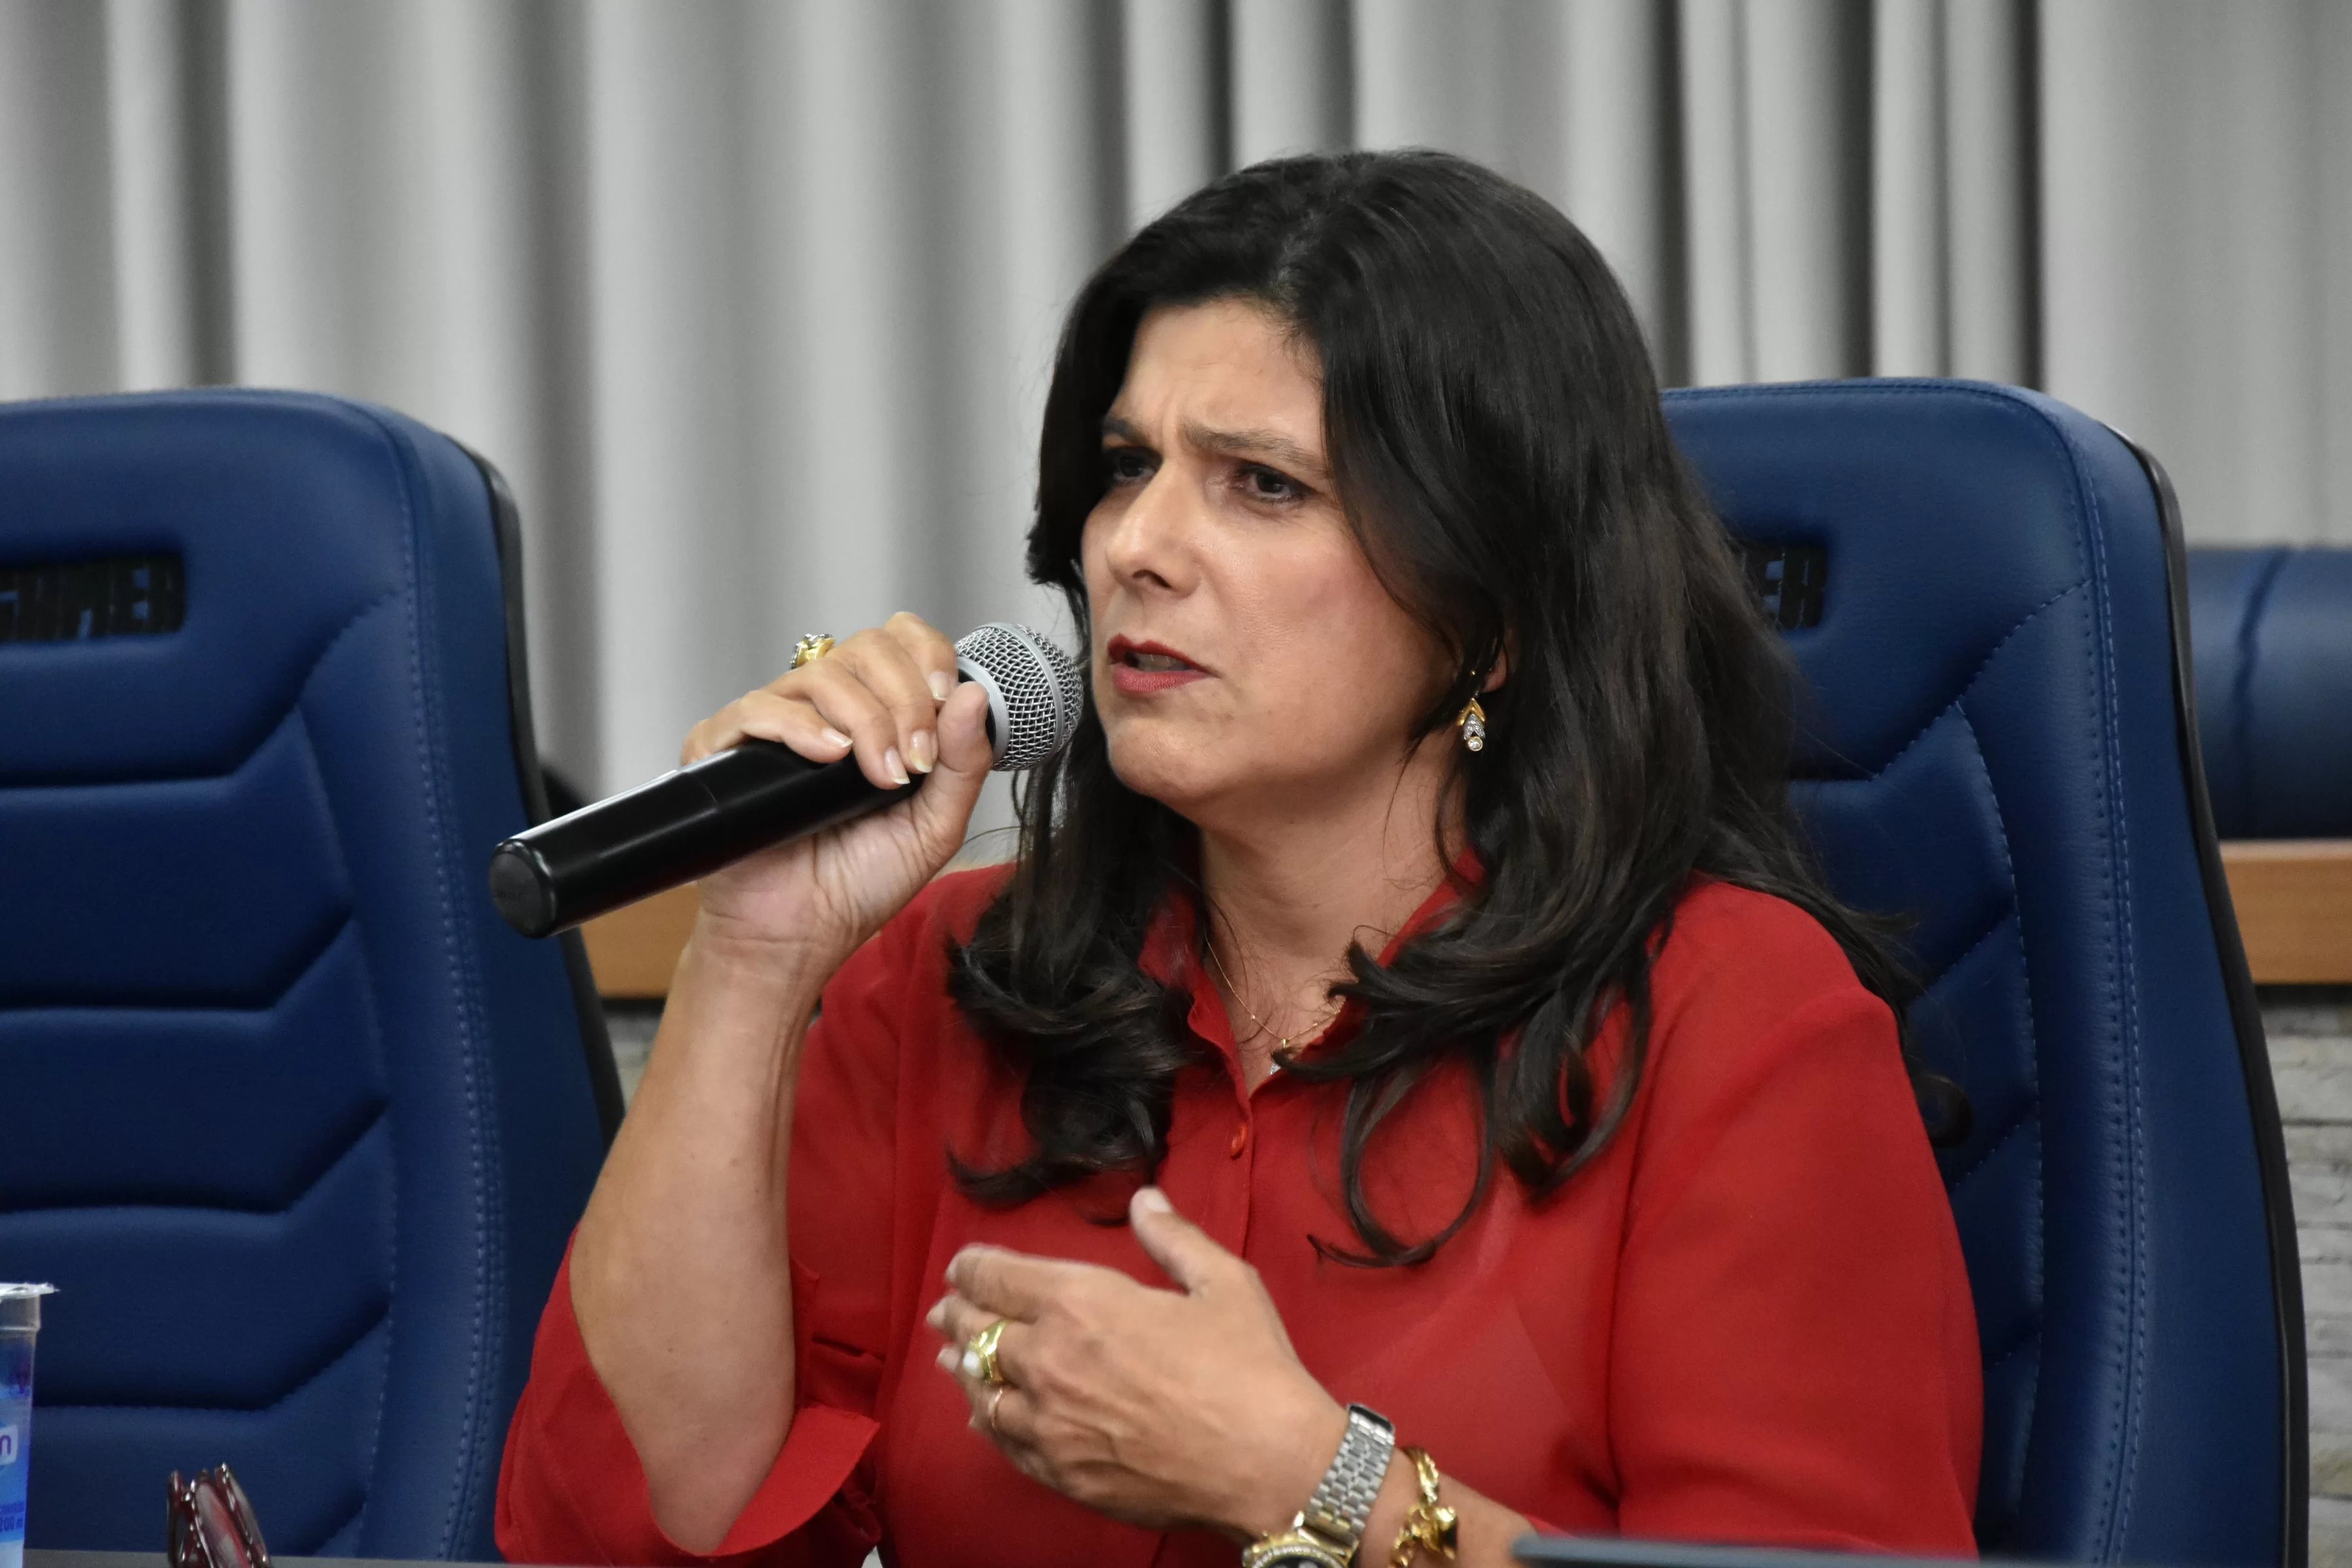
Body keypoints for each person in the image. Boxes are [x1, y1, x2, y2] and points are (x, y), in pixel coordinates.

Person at [496, 150, 1981, 1568]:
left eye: (1263, 483)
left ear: (1493, 614)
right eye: (1125, 466)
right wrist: (752, 956)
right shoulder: (951, 982)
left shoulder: (1737, 1020)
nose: (1135, 544)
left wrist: (1309, 1478)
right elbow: (632, 1540)